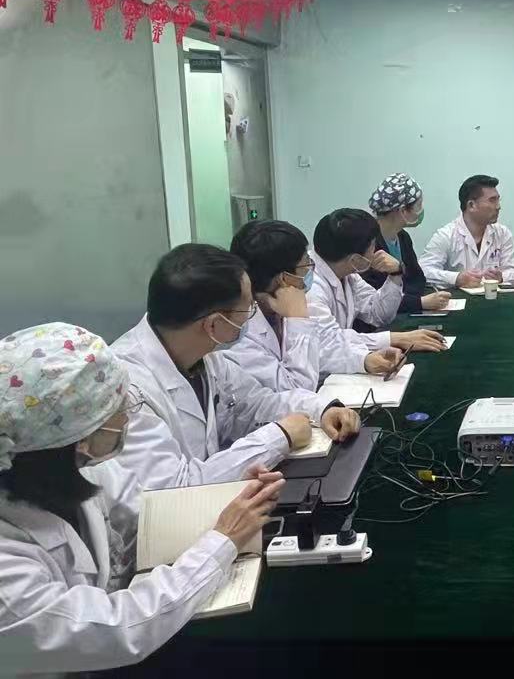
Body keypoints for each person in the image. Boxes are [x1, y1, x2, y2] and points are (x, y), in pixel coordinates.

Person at [0, 323, 285, 671]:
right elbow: (117, 629)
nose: (127, 417)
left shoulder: (79, 470)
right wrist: (222, 542)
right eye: (118, 408)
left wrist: (230, 495)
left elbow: (150, 517)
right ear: (75, 438)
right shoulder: (7, 567)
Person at [112, 244, 361, 490]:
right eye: (248, 308)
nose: (252, 314)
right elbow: (174, 489)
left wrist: (321, 409)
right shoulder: (126, 390)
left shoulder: (205, 358)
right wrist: (280, 437)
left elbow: (257, 403)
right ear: (213, 324)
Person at [224, 220, 402, 387]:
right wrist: (298, 319)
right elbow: (297, 387)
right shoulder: (244, 335)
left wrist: (364, 360)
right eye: (306, 265)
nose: (311, 268)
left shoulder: (278, 306)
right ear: (284, 279)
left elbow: (324, 346)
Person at [310, 209, 446, 377]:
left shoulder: (347, 274)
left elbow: (379, 314)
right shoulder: (311, 289)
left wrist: (395, 274)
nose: (376, 250)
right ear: (356, 259)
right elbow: (329, 344)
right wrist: (394, 339)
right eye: (373, 245)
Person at [362, 173, 452, 314]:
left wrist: (412, 299)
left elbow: (417, 280)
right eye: (418, 205)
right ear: (403, 210)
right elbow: (374, 296)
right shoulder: (367, 243)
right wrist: (419, 302)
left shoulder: (403, 237)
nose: (421, 210)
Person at [420, 174, 514, 288]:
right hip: (457, 298)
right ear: (471, 205)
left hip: (494, 297)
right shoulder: (446, 235)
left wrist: (501, 277)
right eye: (492, 200)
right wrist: (456, 278)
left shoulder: (502, 234)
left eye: (498, 200)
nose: (498, 207)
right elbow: (423, 270)